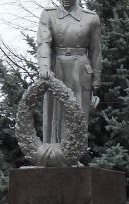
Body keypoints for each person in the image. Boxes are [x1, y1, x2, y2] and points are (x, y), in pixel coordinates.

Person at [35, 0, 101, 144]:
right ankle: (53, 151)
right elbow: (43, 43)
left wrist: (96, 84)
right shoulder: (48, 15)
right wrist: (44, 67)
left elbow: (96, 52)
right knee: (54, 113)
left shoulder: (91, 18)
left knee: (78, 114)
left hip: (81, 72)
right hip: (56, 70)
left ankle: (73, 154)